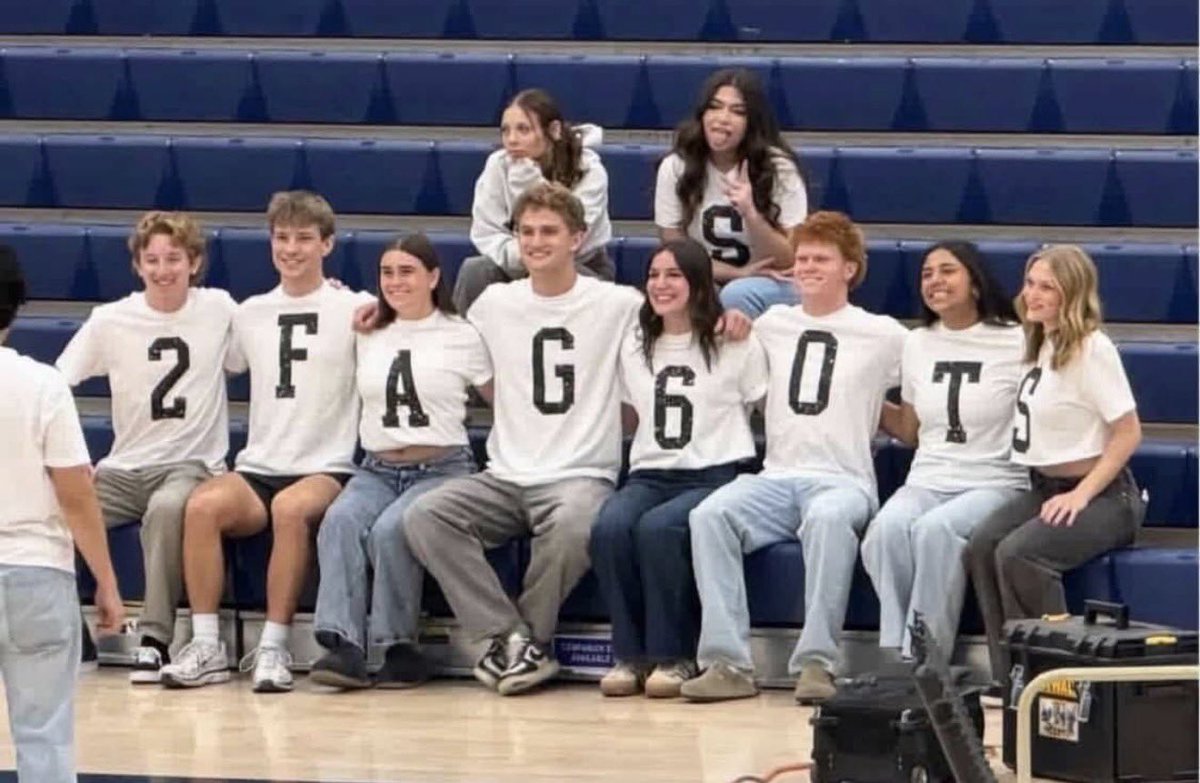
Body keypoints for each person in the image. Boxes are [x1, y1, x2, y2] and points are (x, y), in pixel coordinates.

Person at [403, 182, 641, 696]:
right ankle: (509, 638)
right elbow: (448, 345)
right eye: (526, 231)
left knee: (578, 522)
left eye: (549, 231)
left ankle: (527, 641)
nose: (535, 241)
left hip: (580, 473)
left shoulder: (619, 303)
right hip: (506, 473)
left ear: (577, 238)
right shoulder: (493, 303)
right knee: (425, 514)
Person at [681, 211, 908, 705]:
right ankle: (727, 663)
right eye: (801, 257)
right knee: (709, 515)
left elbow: (918, 397)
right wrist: (735, 321)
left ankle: (816, 663)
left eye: (820, 259)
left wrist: (880, 410)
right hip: (776, 475)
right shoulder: (772, 324)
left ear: (850, 269)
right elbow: (736, 371)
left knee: (828, 521)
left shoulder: (885, 333)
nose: (807, 266)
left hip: (843, 480)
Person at [159, 191, 372, 693]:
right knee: (202, 506)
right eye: (281, 238)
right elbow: (222, 360)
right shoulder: (249, 311)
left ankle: (274, 646)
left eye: (303, 238)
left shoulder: (355, 306)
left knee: (292, 511)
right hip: (260, 464)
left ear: (327, 244)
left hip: (326, 464)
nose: (291, 249)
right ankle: (207, 645)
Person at [56, 211, 235, 685]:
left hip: (190, 464)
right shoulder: (110, 319)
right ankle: (67, 628)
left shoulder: (219, 308)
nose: (163, 270)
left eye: (173, 259)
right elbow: (56, 385)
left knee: (167, 509)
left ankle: (154, 641)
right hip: (123, 465)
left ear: (194, 262)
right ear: (137, 265)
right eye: (151, 260)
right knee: (53, 510)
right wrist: (72, 461)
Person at [309, 234, 490, 690]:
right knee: (340, 521)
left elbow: (500, 397)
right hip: (376, 467)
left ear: (433, 277)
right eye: (387, 272)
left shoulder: (460, 334)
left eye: (406, 271)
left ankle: (397, 646)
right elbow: (324, 302)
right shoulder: (367, 329)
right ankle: (343, 646)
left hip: (442, 466)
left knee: (394, 530)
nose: (395, 281)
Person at [590, 237, 767, 699]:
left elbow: (764, 404)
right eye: (653, 275)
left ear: (698, 282)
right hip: (651, 472)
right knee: (610, 527)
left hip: (715, 470)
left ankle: (676, 655)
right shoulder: (634, 344)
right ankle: (630, 655)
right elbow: (630, 412)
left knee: (659, 530)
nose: (661, 284)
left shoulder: (732, 339)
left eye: (673, 275)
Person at [966, 244, 1144, 688]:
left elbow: (1128, 432)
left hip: (1105, 495)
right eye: (1030, 283)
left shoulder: (1091, 347)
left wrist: (1081, 495)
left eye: (1048, 287)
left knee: (1020, 553)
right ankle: (1012, 675)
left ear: (1073, 293)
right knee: (982, 544)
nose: (1034, 294)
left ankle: (1056, 677)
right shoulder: (1039, 341)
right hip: (1047, 486)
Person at [862, 242, 1027, 663]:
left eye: (947, 271)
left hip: (995, 480)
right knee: (884, 533)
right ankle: (906, 650)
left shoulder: (1017, 340)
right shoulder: (917, 343)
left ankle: (924, 658)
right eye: (927, 273)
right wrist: (858, 395)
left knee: (935, 531)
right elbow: (910, 430)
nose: (935, 280)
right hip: (929, 477)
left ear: (974, 281)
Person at [0, 245, 125, 782]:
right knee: (45, 740)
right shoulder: (42, 383)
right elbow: (76, 491)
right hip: (37, 573)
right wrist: (107, 582)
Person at [655, 68, 808, 319]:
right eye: (715, 107)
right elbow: (676, 251)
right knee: (676, 290)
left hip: (775, 280)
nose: (722, 118)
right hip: (708, 274)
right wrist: (737, 273)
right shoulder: (676, 166)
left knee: (737, 295)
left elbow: (788, 260)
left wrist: (750, 213)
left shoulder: (780, 169)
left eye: (737, 112)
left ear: (752, 123)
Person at [454, 88, 613, 313]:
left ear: (554, 130)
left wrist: (529, 184)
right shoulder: (497, 165)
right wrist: (528, 255)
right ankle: (462, 345)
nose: (511, 140)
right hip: (515, 261)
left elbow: (574, 236)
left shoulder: (590, 170)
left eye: (523, 130)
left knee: (592, 289)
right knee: (475, 271)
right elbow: (487, 231)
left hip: (578, 263)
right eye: (505, 131)